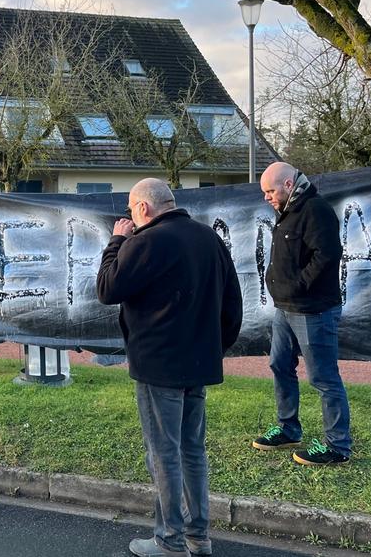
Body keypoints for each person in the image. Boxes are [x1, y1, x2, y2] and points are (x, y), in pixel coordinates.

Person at [97, 178, 243, 557]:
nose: (129, 217)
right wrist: (214, 347)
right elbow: (233, 303)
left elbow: (108, 288)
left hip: (159, 363)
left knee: (163, 452)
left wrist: (117, 241)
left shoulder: (145, 242)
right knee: (192, 450)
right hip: (198, 361)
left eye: (131, 210)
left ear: (143, 208)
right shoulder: (208, 239)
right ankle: (199, 537)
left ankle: (170, 540)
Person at [252, 162, 352, 466]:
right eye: (264, 192)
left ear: (287, 185)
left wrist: (299, 286)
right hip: (285, 308)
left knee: (323, 378)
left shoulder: (315, 209)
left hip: (313, 310)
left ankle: (338, 446)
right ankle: (288, 429)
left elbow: (328, 254)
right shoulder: (287, 212)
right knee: (279, 365)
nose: (267, 197)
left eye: (270, 190)